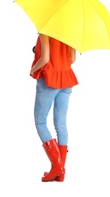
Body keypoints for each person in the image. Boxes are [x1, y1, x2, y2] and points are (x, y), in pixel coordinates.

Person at [30, 33, 78, 182]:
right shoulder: (69, 32)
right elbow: (72, 59)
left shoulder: (46, 31)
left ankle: (58, 167)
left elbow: (45, 59)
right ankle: (60, 172)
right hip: (66, 79)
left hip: (50, 80)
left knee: (40, 122)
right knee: (61, 124)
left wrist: (32, 70)